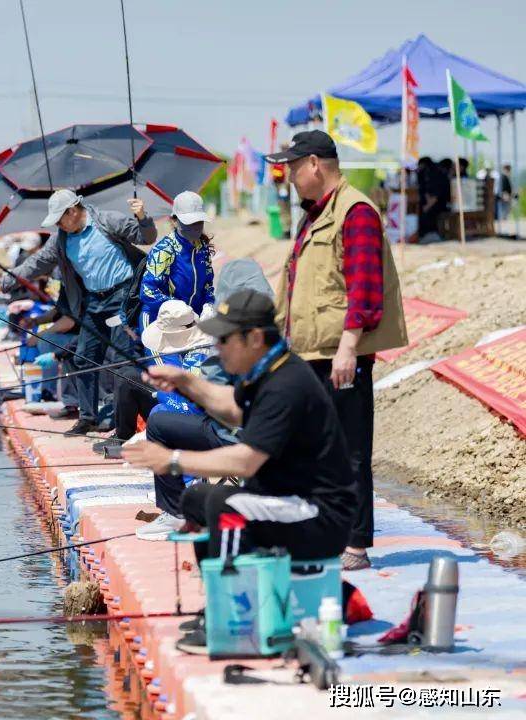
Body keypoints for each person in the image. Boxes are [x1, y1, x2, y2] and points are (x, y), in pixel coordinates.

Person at [123, 289, 358, 653]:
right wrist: (186, 382)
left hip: (320, 515)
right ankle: (221, 605)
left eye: (224, 339)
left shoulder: (287, 383)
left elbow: (245, 461)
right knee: (197, 497)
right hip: (286, 501)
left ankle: (235, 619)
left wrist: (171, 459)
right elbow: (232, 409)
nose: (217, 347)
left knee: (224, 503)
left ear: (254, 337)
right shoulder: (265, 369)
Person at [264, 130, 407, 571]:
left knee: (349, 449)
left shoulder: (355, 211)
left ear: (313, 164)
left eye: (290, 166)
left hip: (339, 354)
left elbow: (364, 289)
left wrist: (349, 348)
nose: (285, 175)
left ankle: (355, 543)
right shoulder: (315, 214)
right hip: (310, 352)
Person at [0, 190, 156, 435]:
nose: (58, 225)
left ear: (73, 211)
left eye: (60, 219)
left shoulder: (107, 221)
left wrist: (142, 216)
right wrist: (0, 285)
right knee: (83, 358)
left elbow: (146, 236)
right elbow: (35, 264)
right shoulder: (61, 238)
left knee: (122, 362)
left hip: (122, 297)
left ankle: (123, 428)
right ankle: (87, 417)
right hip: (94, 301)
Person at [133, 259, 275, 540]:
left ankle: (175, 513)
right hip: (267, 436)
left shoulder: (226, 349)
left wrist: (186, 386)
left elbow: (218, 403)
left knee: (160, 419)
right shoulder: (279, 340)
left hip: (240, 438)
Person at [138, 190, 216, 327]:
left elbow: (207, 286)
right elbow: (147, 290)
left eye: (198, 221)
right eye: (189, 222)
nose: (195, 227)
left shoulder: (202, 249)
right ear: (174, 221)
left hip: (192, 322)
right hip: (159, 322)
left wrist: (209, 305)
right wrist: (175, 307)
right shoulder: (165, 250)